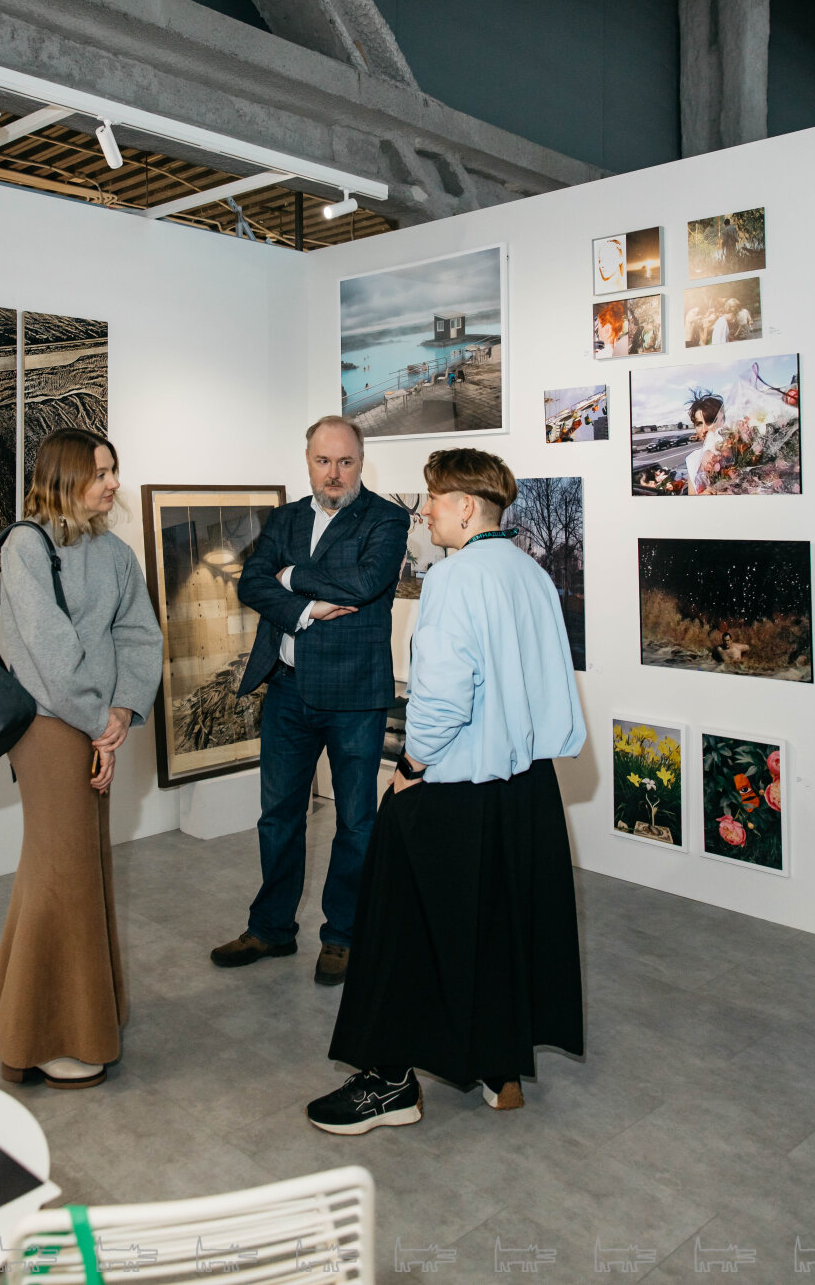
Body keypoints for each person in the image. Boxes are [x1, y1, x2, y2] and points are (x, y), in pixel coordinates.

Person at [306, 447, 586, 1135]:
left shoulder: (455, 579)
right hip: (523, 789)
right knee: (494, 921)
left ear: (465, 506)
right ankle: (499, 1067)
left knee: (396, 927)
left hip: (455, 785)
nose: (424, 510)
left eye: (432, 498)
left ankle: (388, 1082)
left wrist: (411, 767)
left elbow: (439, 697)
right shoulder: (531, 574)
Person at [0, 428, 162, 1090]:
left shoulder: (114, 553)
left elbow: (139, 635)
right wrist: (101, 723)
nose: (114, 483)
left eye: (114, 469)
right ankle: (43, 1036)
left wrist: (119, 713)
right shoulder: (26, 546)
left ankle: (64, 1012)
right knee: (63, 871)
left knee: (74, 867)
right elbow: (49, 656)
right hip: (46, 727)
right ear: (63, 478)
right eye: (101, 472)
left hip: (93, 724)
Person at [211, 416, 408, 986]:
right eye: (323, 461)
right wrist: (302, 607)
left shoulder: (388, 519)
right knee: (277, 817)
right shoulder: (286, 517)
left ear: (362, 462)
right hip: (290, 690)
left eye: (345, 461)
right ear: (308, 462)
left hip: (354, 695)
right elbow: (250, 582)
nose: (334, 473)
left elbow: (364, 583)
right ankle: (271, 927)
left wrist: (290, 573)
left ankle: (342, 936)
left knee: (355, 823)